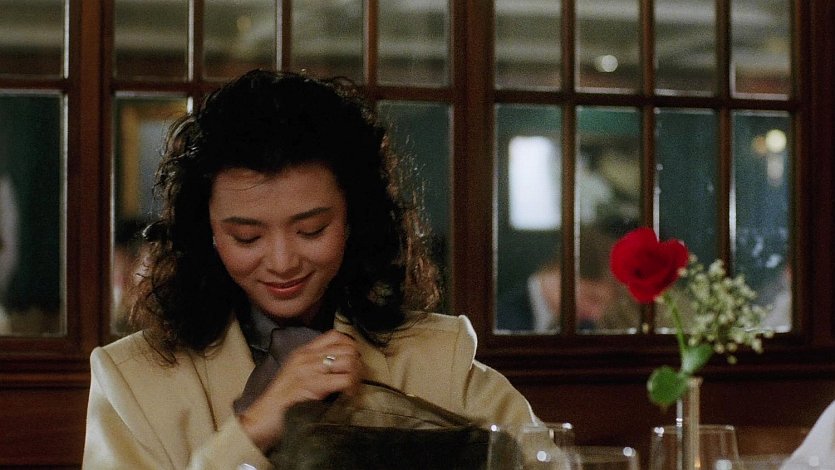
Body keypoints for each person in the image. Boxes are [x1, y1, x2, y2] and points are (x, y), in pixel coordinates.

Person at [82, 70, 538, 469]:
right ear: (208, 234)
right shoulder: (133, 381)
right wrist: (253, 431)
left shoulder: (438, 358)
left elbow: (544, 457)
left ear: (354, 219)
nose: (282, 263)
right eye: (247, 237)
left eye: (312, 230)